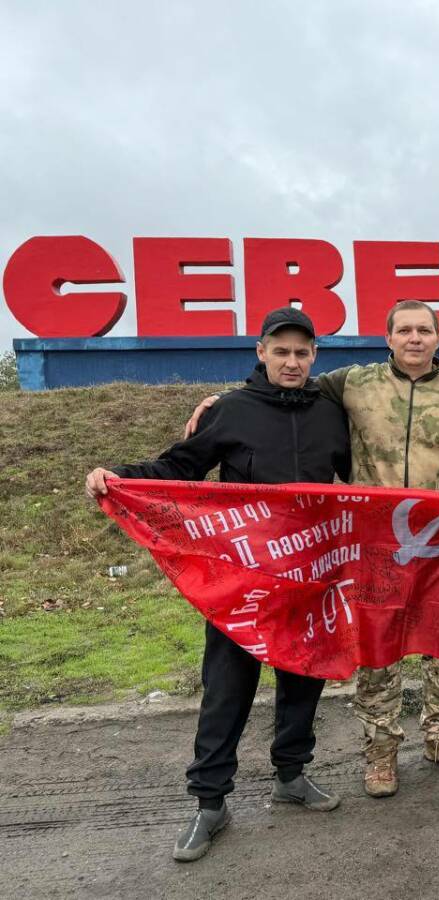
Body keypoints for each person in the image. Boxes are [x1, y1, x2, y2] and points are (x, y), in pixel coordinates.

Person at [184, 300, 439, 799]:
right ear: (388, 337)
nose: (414, 338)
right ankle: (381, 752)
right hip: (373, 542)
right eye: (404, 330)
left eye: (424, 330)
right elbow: (284, 389)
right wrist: (222, 400)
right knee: (378, 647)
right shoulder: (353, 383)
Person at [86, 308, 351, 862]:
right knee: (227, 688)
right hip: (242, 581)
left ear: (314, 356)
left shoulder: (333, 414)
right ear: (261, 352)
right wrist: (119, 476)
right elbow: (180, 466)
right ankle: (210, 802)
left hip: (308, 577)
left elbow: (365, 481)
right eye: (281, 352)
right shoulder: (231, 409)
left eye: (302, 353)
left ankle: (291, 774)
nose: (292, 362)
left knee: (304, 678)